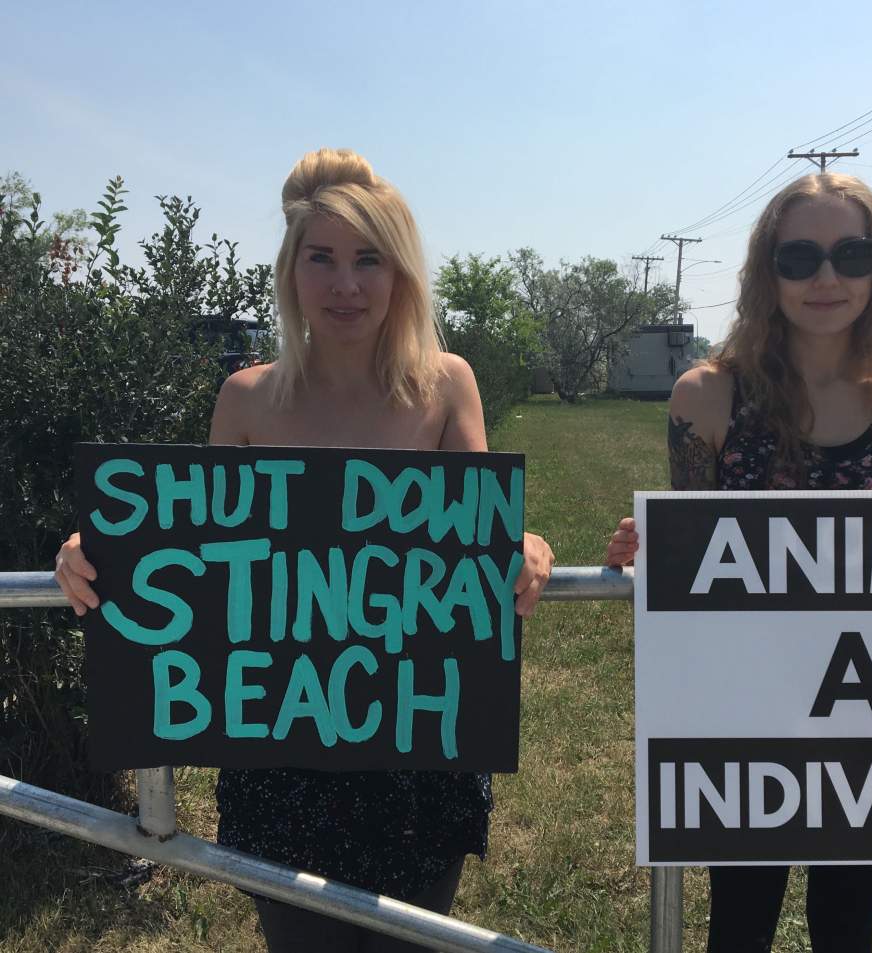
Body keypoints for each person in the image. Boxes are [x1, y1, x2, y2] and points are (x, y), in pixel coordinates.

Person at [54, 147, 554, 952]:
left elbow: (482, 526)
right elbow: (204, 554)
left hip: (415, 743)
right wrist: (102, 548)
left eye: (369, 260)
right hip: (280, 749)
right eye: (321, 259)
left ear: (400, 275)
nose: (346, 285)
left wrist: (526, 542)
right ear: (290, 269)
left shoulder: (447, 384)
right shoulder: (246, 398)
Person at [605, 172, 872, 953]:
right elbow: (690, 569)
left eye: (851, 254)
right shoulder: (707, 396)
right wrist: (648, 554)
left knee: (847, 928)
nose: (826, 277)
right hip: (746, 715)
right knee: (739, 926)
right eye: (799, 257)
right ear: (767, 272)